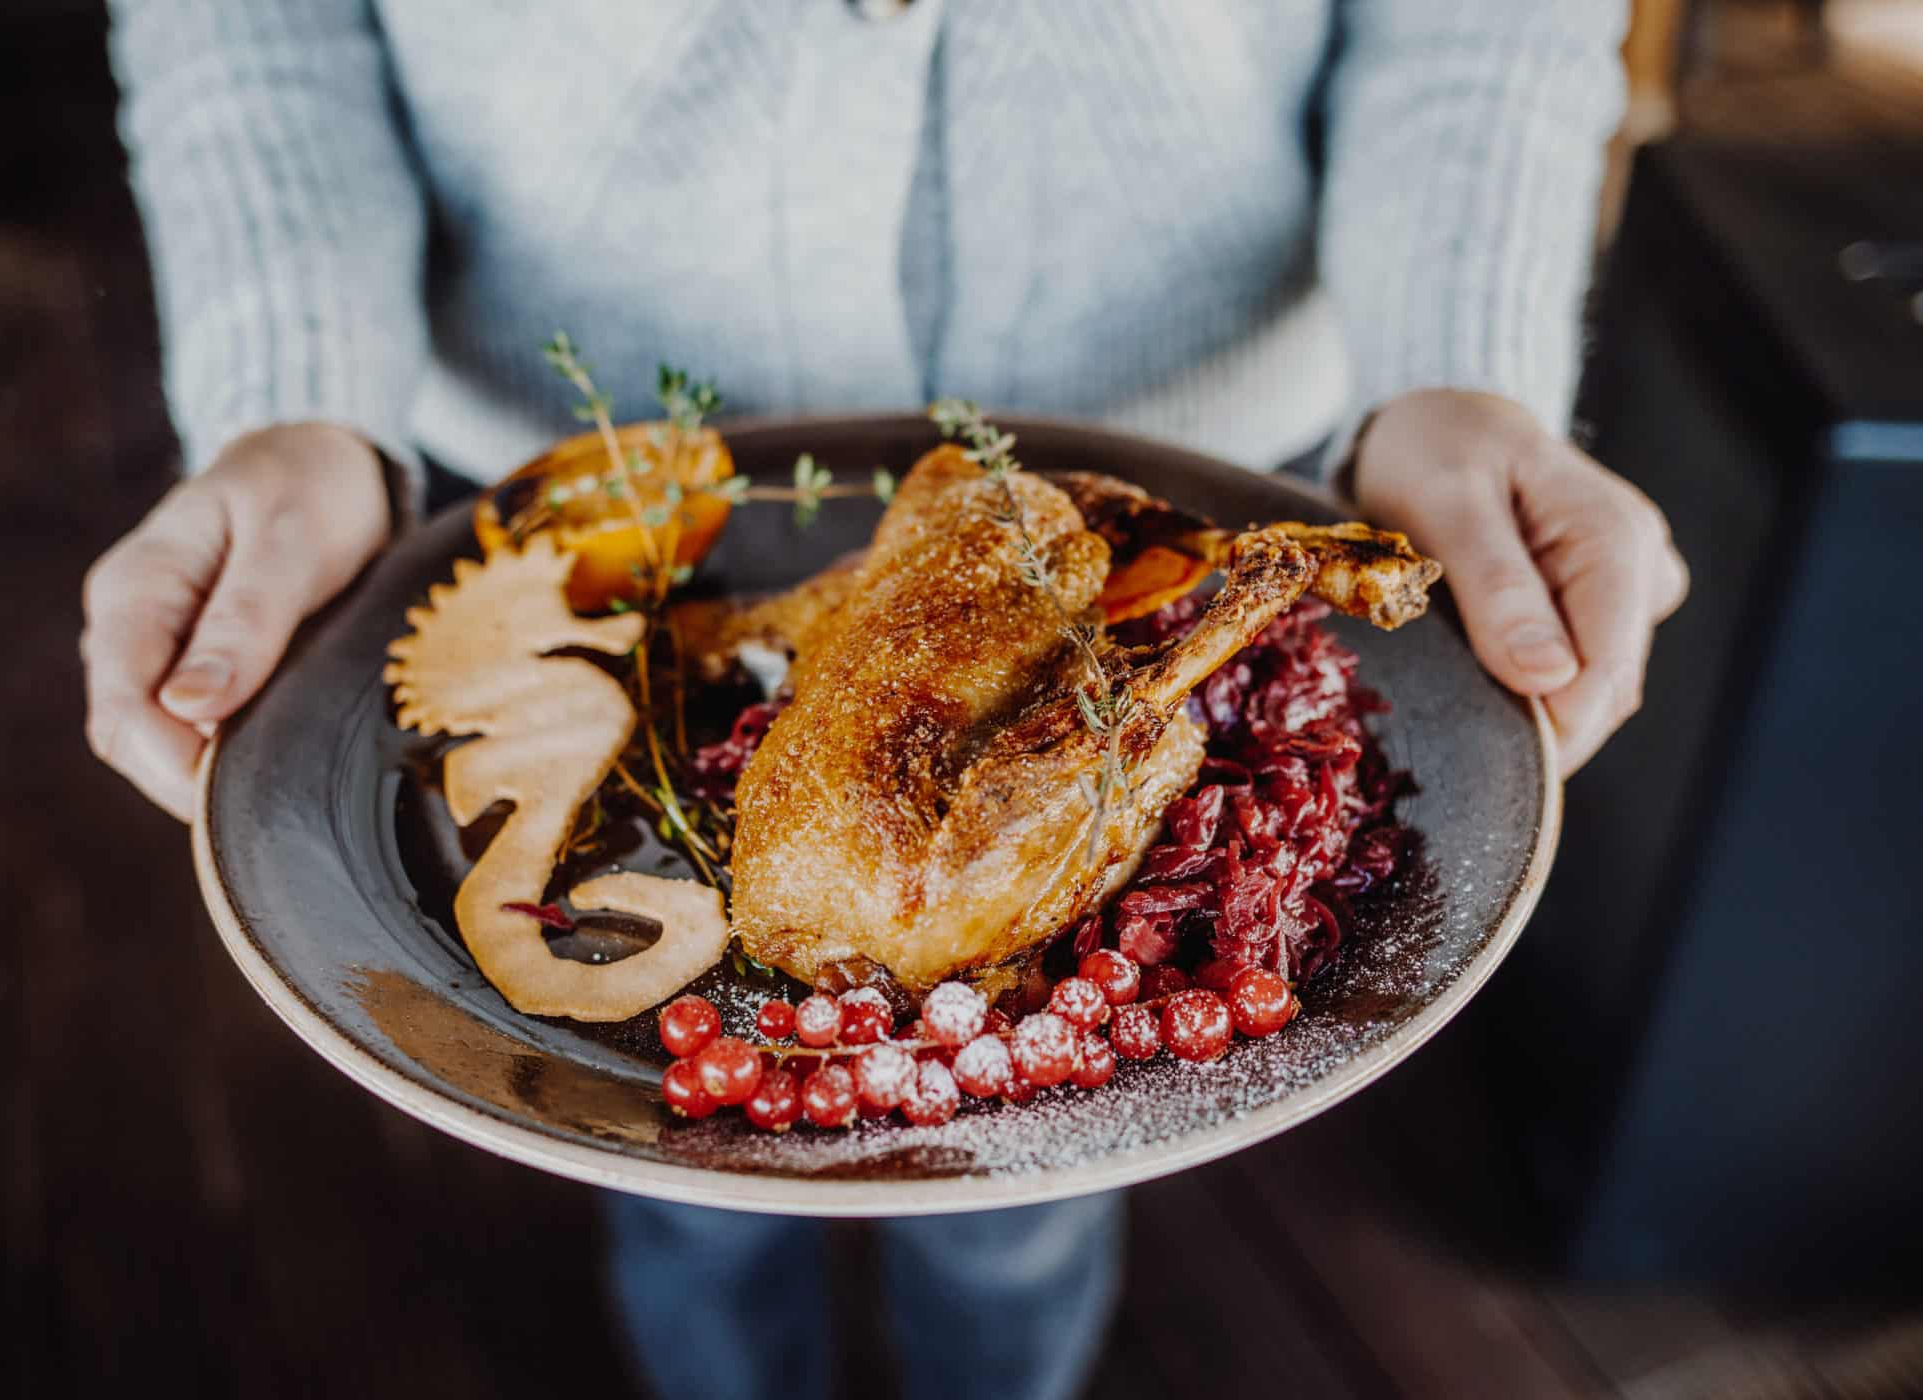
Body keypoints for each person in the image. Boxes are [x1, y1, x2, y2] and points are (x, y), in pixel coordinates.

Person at [86, 3, 1685, 1397]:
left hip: (1199, 416)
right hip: (596, 509)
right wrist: (293, 395)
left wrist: (1462, 365)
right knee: (666, 1160)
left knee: (1026, 1207)